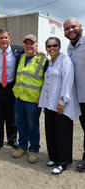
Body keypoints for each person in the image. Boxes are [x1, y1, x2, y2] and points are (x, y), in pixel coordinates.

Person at [39, 37, 81, 174]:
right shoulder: (50, 62)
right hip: (50, 105)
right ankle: (54, 158)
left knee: (63, 134)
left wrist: (62, 103)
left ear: (59, 46)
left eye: (54, 45)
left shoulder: (65, 61)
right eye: (49, 46)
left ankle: (63, 162)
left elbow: (67, 83)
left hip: (62, 105)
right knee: (51, 132)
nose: (52, 48)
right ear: (46, 48)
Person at [12, 34, 48, 163]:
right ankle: (22, 147)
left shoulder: (43, 60)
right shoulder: (21, 57)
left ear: (36, 45)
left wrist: (42, 97)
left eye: (31, 43)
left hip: (33, 99)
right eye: (26, 43)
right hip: (19, 97)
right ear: (23, 46)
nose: (29, 46)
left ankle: (34, 149)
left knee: (32, 125)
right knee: (20, 123)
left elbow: (46, 80)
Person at [0, 29, 24, 152]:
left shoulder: (19, 50)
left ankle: (12, 140)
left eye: (5, 37)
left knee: (12, 116)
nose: (3, 40)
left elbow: (31, 53)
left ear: (9, 38)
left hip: (12, 87)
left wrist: (39, 53)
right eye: (1, 38)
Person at [64, 17, 85, 172]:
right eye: (67, 28)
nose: (70, 30)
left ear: (81, 27)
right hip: (79, 97)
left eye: (73, 27)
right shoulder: (69, 48)